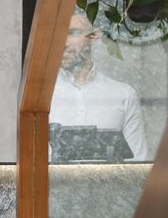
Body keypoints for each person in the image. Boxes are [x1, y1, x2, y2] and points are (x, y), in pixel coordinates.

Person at [50, 8, 150, 160]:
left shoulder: (123, 95)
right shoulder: (41, 97)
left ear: (94, 35)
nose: (63, 43)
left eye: (74, 33)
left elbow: (137, 165)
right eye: (58, 34)